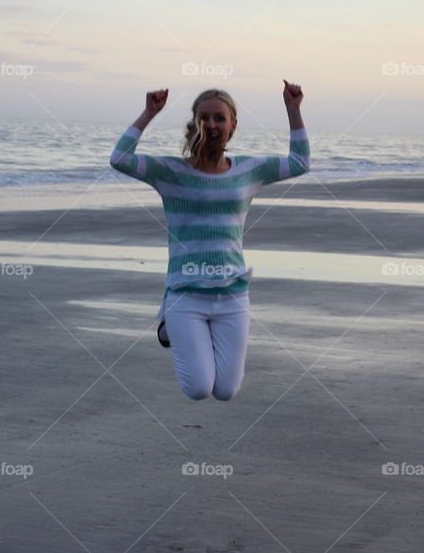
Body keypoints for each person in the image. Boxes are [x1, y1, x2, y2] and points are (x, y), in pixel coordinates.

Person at [109, 80, 309, 401]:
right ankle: (171, 325)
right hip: (186, 295)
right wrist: (149, 113)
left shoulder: (248, 169)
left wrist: (293, 108)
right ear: (195, 123)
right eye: (204, 118)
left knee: (226, 391)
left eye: (219, 118)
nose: (212, 124)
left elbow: (300, 163)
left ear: (233, 125)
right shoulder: (170, 171)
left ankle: (193, 336)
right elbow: (119, 158)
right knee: (199, 389)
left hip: (233, 296)